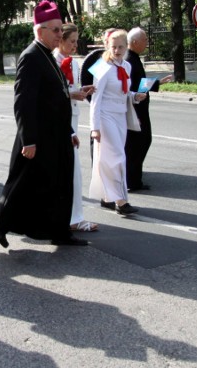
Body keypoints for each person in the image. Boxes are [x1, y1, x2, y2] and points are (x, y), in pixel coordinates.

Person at [0, 0, 87, 247]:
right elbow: (23, 103)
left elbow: (59, 96)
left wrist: (69, 130)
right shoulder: (31, 57)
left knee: (57, 186)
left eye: (60, 29)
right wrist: (29, 139)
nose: (59, 34)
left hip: (57, 135)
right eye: (55, 30)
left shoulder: (48, 56)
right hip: (38, 137)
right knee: (25, 186)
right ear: (39, 31)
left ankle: (60, 232)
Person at [89, 29, 143, 215]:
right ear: (107, 46)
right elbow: (96, 99)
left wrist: (136, 96)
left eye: (121, 47)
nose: (117, 50)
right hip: (105, 116)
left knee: (109, 159)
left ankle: (106, 197)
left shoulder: (126, 67)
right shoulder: (101, 67)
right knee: (118, 158)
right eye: (114, 47)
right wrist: (94, 128)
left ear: (127, 47)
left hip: (120, 116)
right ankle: (121, 201)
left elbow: (124, 92)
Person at [54, 23, 98, 233]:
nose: (74, 45)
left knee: (71, 169)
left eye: (76, 41)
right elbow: (51, 94)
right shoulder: (52, 61)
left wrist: (82, 91)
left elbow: (71, 89)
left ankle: (71, 216)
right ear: (60, 40)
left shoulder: (73, 64)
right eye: (71, 41)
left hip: (72, 116)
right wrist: (71, 94)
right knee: (70, 170)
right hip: (59, 120)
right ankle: (72, 217)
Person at [124, 27, 173, 192]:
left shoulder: (134, 57)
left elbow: (140, 82)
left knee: (142, 141)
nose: (147, 43)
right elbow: (133, 86)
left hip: (140, 106)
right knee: (138, 143)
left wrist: (158, 82)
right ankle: (132, 180)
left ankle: (134, 178)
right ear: (135, 42)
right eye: (145, 40)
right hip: (136, 108)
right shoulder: (129, 59)